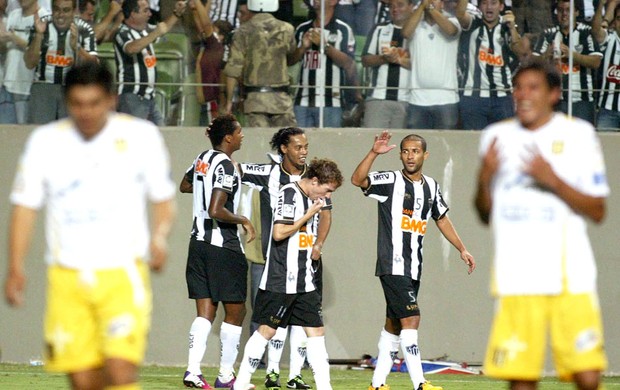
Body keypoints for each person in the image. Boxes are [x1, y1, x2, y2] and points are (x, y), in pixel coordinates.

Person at [3, 61, 176, 390]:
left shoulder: (140, 137)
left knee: (120, 370)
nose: (86, 113)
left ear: (111, 99)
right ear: (67, 102)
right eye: (78, 104)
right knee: (83, 380)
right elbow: (25, 207)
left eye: (94, 103)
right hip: (66, 276)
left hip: (122, 273)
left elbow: (163, 198)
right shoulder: (45, 142)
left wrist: (160, 237)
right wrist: (15, 267)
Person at [474, 57, 608, 390]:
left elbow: (597, 210)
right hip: (517, 276)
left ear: (554, 93)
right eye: (518, 88)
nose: (523, 95)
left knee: (588, 376)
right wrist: (485, 177)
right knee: (521, 380)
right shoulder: (496, 136)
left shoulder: (578, 134)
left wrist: (551, 179)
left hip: (570, 275)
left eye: (533, 87)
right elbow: (484, 213)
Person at [351, 131, 475, 390]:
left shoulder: (431, 186)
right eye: (406, 151)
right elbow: (357, 180)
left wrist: (462, 248)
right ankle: (420, 383)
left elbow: (441, 217)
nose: (410, 156)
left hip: (413, 267)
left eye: (415, 151)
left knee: (394, 325)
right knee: (412, 319)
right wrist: (374, 152)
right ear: (400, 154)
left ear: (425, 155)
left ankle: (377, 384)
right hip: (392, 263)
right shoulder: (390, 181)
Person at [233, 158, 344, 390]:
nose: (328, 196)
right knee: (267, 330)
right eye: (327, 190)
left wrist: (318, 244)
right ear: (314, 181)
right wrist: (308, 214)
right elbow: (279, 232)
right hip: (281, 278)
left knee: (316, 331)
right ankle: (241, 382)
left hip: (304, 280)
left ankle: (325, 387)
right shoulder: (290, 194)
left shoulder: (316, 199)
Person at [179, 114, 256, 389]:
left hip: (197, 243)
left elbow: (186, 185)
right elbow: (216, 210)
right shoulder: (224, 164)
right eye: (239, 131)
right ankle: (225, 376)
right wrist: (243, 220)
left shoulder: (202, 157)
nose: (242, 136)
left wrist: (202, 188)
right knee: (236, 311)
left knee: (205, 312)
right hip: (222, 246)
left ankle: (192, 371)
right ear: (228, 137)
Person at [222, 0, 297, 128]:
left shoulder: (242, 31)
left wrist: (228, 102)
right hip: (281, 99)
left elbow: (233, 69)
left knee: (258, 144)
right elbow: (291, 53)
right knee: (287, 143)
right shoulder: (287, 29)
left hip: (254, 100)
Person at [114, 0, 187, 125]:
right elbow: (131, 48)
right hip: (131, 96)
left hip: (149, 97)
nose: (150, 14)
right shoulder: (122, 32)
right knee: (134, 136)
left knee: (162, 135)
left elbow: (164, 28)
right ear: (133, 14)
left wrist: (176, 14)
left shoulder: (146, 30)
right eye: (145, 10)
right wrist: (156, 33)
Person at [24, 0, 97, 124]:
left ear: (75, 12)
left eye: (66, 10)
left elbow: (94, 65)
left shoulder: (84, 29)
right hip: (43, 87)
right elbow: (29, 63)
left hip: (72, 88)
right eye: (57, 9)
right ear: (52, 10)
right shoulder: (41, 25)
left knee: (71, 134)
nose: (60, 14)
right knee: (40, 132)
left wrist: (77, 48)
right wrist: (38, 35)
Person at [290, 0, 360, 128]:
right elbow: (291, 61)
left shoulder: (343, 29)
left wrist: (325, 46)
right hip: (302, 100)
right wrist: (302, 48)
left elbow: (348, 63)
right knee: (298, 145)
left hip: (331, 102)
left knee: (329, 145)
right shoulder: (302, 29)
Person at [455, 0, 523, 130]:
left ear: (501, 6)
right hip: (473, 96)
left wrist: (513, 28)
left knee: (504, 144)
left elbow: (521, 52)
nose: (489, 7)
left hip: (502, 97)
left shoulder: (507, 27)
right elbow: (459, 14)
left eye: (493, 3)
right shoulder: (473, 23)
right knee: (474, 144)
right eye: (485, 3)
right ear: (479, 7)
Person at [532, 0, 602, 124]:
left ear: (576, 12)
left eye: (568, 10)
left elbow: (596, 61)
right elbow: (533, 63)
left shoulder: (586, 33)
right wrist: (546, 55)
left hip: (582, 101)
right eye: (560, 10)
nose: (564, 14)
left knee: (582, 141)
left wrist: (572, 55)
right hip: (555, 100)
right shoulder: (548, 34)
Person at [402, 0, 461, 130]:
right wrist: (423, 7)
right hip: (417, 99)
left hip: (446, 99)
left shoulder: (453, 21)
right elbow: (405, 33)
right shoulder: (415, 24)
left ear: (442, 4)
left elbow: (451, 31)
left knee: (445, 146)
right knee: (417, 147)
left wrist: (428, 6)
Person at [361, 0, 413, 129]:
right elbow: (365, 60)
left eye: (400, 5)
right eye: (391, 6)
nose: (395, 9)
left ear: (411, 7)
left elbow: (423, 66)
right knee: (374, 145)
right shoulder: (379, 29)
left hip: (407, 99)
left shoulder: (417, 31)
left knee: (403, 146)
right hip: (378, 98)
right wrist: (384, 58)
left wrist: (397, 59)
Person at [0, 0, 48, 124]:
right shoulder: (13, 15)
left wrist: (14, 38)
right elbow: (4, 49)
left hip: (29, 88)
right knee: (6, 134)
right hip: (8, 84)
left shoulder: (44, 17)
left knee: (25, 133)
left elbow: (42, 51)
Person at [191, 0, 233, 126]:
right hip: (212, 102)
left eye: (214, 30)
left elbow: (205, 24)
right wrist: (194, 11)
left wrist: (198, 2)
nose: (208, 32)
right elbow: (201, 26)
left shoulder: (215, 46)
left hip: (212, 103)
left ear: (221, 36)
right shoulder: (218, 48)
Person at [592, 0, 620, 131]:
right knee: (605, 148)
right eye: (619, 19)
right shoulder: (609, 39)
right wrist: (601, 6)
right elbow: (596, 30)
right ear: (614, 22)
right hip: (607, 110)